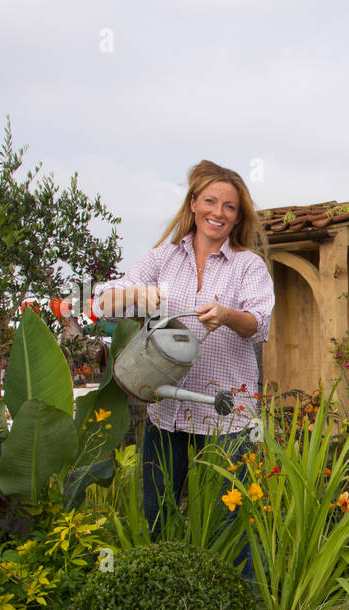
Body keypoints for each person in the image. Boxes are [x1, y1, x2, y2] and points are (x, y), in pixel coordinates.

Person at [95, 160, 274, 558]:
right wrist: (137, 296)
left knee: (230, 521)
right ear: (193, 204)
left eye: (229, 206)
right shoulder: (163, 258)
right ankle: (171, 608)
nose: (219, 212)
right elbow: (104, 300)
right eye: (210, 201)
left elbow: (259, 324)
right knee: (158, 517)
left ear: (238, 215)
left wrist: (227, 316)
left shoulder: (248, 265)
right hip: (167, 409)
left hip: (226, 412)